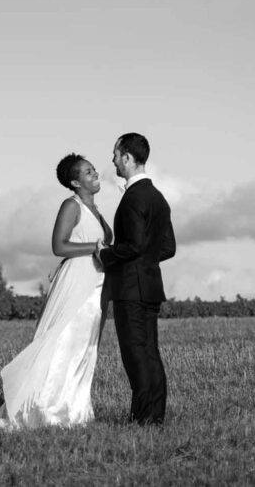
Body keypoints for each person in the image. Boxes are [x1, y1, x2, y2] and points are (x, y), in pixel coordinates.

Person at [0, 153, 112, 432]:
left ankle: (74, 410)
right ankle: (41, 410)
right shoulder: (71, 206)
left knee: (84, 349)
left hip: (97, 285)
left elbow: (107, 246)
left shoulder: (97, 210)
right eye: (88, 172)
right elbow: (59, 246)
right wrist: (95, 248)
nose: (95, 174)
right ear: (75, 182)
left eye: (94, 170)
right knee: (61, 343)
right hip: (76, 282)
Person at [94, 132, 175, 426]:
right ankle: (154, 417)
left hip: (131, 288)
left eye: (115, 154)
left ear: (127, 158)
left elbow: (135, 245)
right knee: (150, 352)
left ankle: (143, 420)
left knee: (135, 355)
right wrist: (144, 261)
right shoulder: (158, 198)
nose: (113, 159)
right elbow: (167, 248)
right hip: (151, 286)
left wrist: (105, 255)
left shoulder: (133, 198)